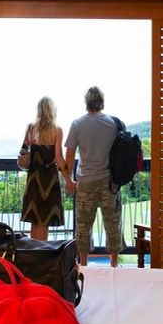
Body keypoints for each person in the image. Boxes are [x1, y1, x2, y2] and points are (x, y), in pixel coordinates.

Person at [64, 86, 123, 267]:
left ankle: (83, 264)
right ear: (101, 101)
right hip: (109, 181)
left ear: (86, 102)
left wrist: (68, 180)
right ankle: (113, 264)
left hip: (86, 181)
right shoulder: (113, 124)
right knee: (112, 222)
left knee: (83, 225)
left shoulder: (77, 124)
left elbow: (70, 155)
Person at [20, 96, 74, 241]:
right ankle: (42, 256)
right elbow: (59, 159)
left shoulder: (31, 128)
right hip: (50, 180)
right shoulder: (57, 130)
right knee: (44, 221)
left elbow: (23, 152)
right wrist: (69, 180)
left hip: (33, 178)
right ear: (52, 110)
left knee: (34, 218)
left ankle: (34, 256)